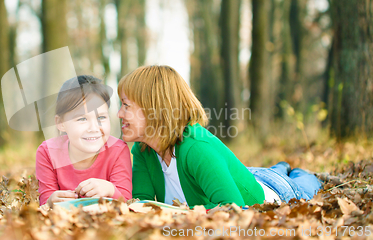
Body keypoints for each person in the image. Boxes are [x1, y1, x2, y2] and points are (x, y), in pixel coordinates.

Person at [117, 65, 321, 209]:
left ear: (155, 109)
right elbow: (142, 204)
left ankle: (296, 171)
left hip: (275, 192)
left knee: (308, 182)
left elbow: (232, 207)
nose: (119, 113)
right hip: (246, 175)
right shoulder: (143, 149)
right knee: (272, 170)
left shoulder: (196, 148)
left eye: (126, 105)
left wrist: (183, 214)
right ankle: (281, 167)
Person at [36, 75, 132, 208]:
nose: (93, 128)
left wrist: (110, 190)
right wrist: (50, 202)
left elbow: (127, 202)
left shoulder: (118, 150)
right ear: (61, 123)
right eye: (82, 119)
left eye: (102, 117)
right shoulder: (47, 152)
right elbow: (46, 202)